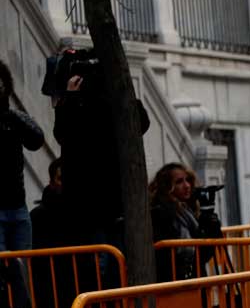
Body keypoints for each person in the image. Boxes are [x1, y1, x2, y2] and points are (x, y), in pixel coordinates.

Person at [51, 54, 150, 275]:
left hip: (114, 198)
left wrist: (123, 90)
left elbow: (140, 123)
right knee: (97, 265)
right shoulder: (77, 105)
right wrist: (71, 97)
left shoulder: (112, 101)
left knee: (116, 262)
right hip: (86, 201)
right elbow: (63, 134)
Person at [0, 60, 45, 253]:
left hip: (18, 207)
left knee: (22, 270)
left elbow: (36, 139)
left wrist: (11, 116)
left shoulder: (12, 118)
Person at [149, 162, 220, 281]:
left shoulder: (188, 210)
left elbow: (204, 253)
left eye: (187, 180)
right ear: (167, 186)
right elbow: (168, 256)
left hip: (195, 279)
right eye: (179, 182)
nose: (187, 185)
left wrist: (211, 223)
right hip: (175, 282)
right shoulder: (161, 213)